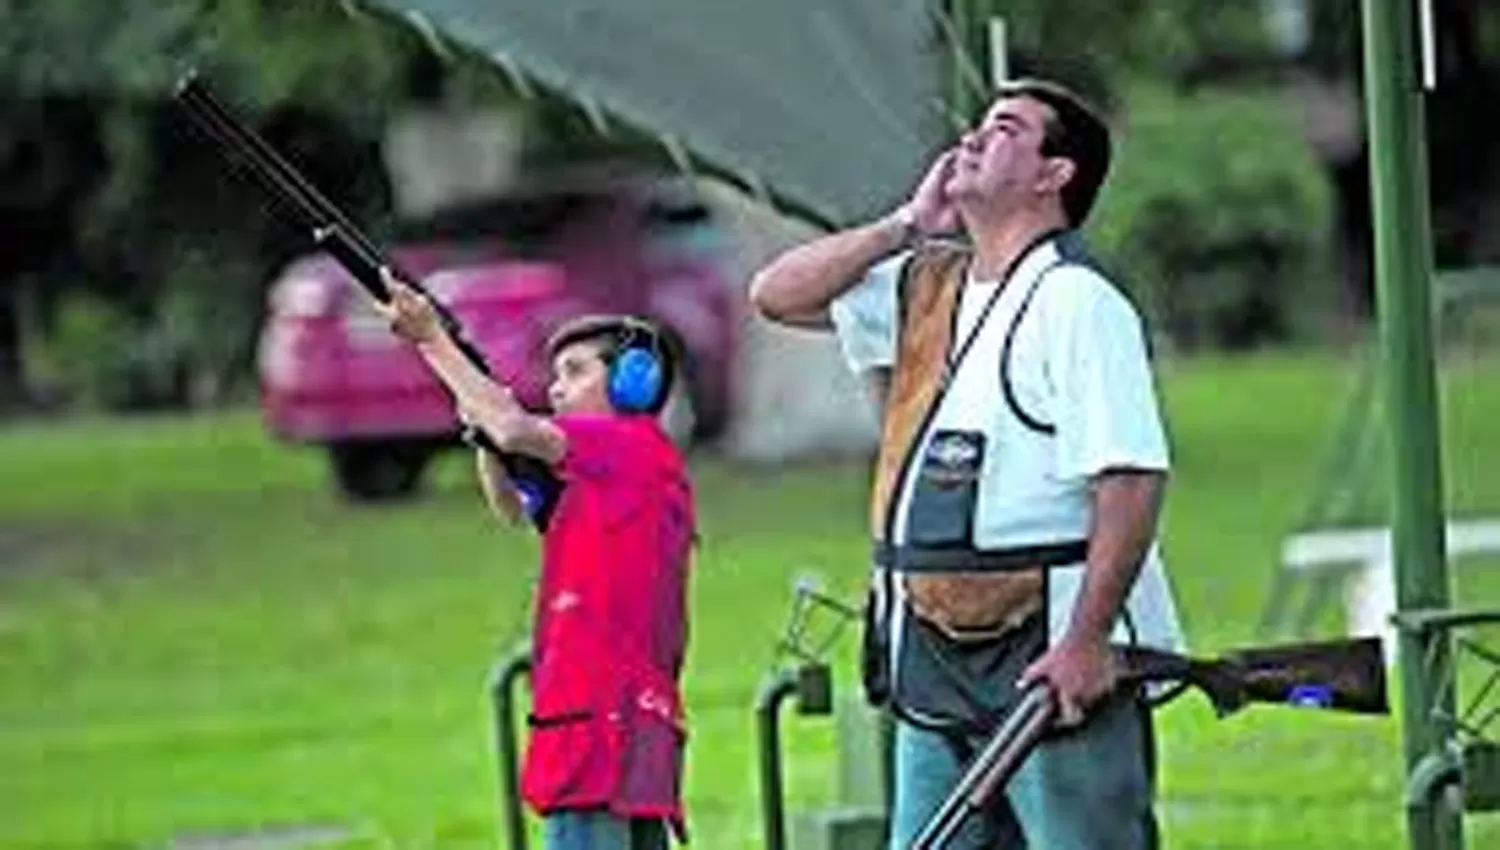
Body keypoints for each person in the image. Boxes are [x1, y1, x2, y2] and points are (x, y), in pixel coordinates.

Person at [748, 78, 1183, 849]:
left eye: (1007, 128)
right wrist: (907, 224)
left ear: (1056, 175)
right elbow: (776, 295)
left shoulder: (1077, 301)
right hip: (931, 658)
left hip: (1046, 660)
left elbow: (1131, 478)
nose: (974, 138)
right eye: (978, 125)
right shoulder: (931, 282)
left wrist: (1084, 645)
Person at [379, 272, 696, 850]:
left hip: (599, 730)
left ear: (633, 385)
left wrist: (431, 341)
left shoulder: (628, 445)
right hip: (619, 727)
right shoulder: (611, 478)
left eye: (576, 372)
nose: (556, 388)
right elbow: (509, 503)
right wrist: (485, 432)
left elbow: (513, 427)